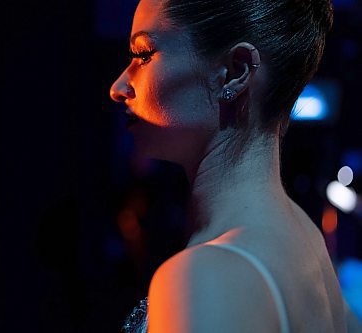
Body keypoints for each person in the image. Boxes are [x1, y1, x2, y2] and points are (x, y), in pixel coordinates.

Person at [109, 0, 362, 332]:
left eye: (143, 54)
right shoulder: (305, 240)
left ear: (235, 71)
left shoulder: (208, 276)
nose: (117, 87)